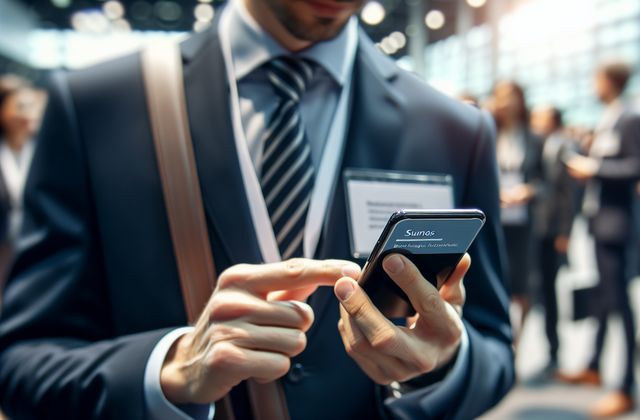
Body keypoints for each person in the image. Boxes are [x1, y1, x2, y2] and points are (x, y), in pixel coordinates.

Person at [0, 0, 514, 419]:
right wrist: (169, 371)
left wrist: (444, 364)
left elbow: (493, 350)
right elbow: (21, 363)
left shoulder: (453, 131)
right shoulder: (99, 107)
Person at [562, 61, 640, 417]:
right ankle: (595, 365)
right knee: (602, 297)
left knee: (620, 305)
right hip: (600, 222)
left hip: (619, 226)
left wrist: (593, 168)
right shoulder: (610, 117)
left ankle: (627, 386)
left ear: (610, 80)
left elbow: (637, 166)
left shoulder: (630, 118)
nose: (593, 85)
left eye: (596, 78)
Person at [487, 81, 543, 342]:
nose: (506, 103)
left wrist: (528, 191)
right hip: (494, 221)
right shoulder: (488, 133)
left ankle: (517, 341)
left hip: (523, 222)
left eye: (511, 97)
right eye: (501, 97)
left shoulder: (533, 137)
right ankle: (501, 335)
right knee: (497, 282)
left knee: (523, 285)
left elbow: (545, 181)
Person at [530, 106, 578, 376]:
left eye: (541, 117)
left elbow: (567, 194)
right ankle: (551, 348)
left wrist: (565, 231)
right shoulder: (543, 145)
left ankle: (555, 350)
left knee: (551, 290)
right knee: (544, 289)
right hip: (540, 228)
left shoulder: (563, 146)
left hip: (554, 231)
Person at [0, 76, 42, 295]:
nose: (28, 113)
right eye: (20, 106)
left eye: (32, 106)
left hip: (35, 245)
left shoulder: (44, 150)